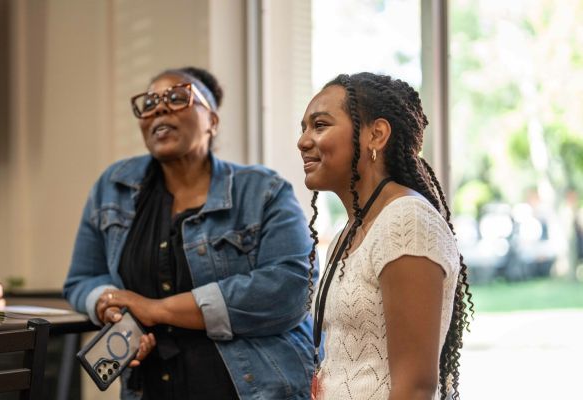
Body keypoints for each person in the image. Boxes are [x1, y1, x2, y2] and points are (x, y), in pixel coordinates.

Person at [64, 66, 315, 400]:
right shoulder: (113, 187)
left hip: (254, 389)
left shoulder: (262, 191)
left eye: (178, 98)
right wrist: (109, 307)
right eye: (149, 102)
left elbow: (291, 287)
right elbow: (82, 279)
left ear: (212, 120)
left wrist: (155, 310)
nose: (161, 108)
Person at [297, 72, 474, 400]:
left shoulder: (407, 221)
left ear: (376, 134)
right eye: (303, 128)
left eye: (320, 125)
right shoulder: (347, 233)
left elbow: (415, 388)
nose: (303, 141)